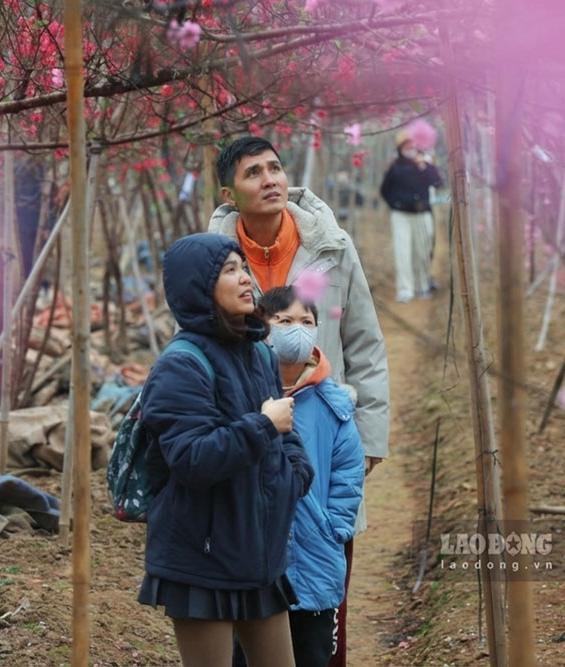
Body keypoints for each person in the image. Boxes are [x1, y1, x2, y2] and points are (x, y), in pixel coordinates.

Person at [210, 136, 390, 667]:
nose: (269, 179)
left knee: (322, 583)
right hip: (245, 440)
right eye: (252, 173)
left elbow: (364, 341)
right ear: (229, 192)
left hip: (321, 437)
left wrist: (370, 437)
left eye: (275, 168)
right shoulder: (213, 258)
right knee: (247, 593)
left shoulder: (330, 246)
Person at [137, 232, 314, 667]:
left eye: (242, 268)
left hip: (258, 552)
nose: (244, 279)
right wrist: (262, 425)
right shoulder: (180, 365)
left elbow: (285, 433)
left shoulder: (259, 354)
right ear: (198, 286)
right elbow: (192, 459)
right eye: (228, 270)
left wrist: (294, 477)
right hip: (203, 555)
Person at [261, 286, 364, 667]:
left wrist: (331, 527)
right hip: (255, 556)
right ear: (262, 328)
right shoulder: (246, 393)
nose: (296, 330)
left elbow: (348, 474)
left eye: (306, 321)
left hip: (315, 554)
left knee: (312, 651)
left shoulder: (331, 404)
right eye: (284, 321)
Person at [379, 130, 444, 302]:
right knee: (403, 252)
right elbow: (385, 190)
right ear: (401, 147)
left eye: (414, 144)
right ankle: (405, 289)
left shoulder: (425, 164)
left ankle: (422, 285)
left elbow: (438, 183)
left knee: (422, 251)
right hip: (401, 215)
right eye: (407, 144)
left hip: (422, 214)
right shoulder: (395, 167)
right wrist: (395, 203)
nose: (411, 147)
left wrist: (424, 166)